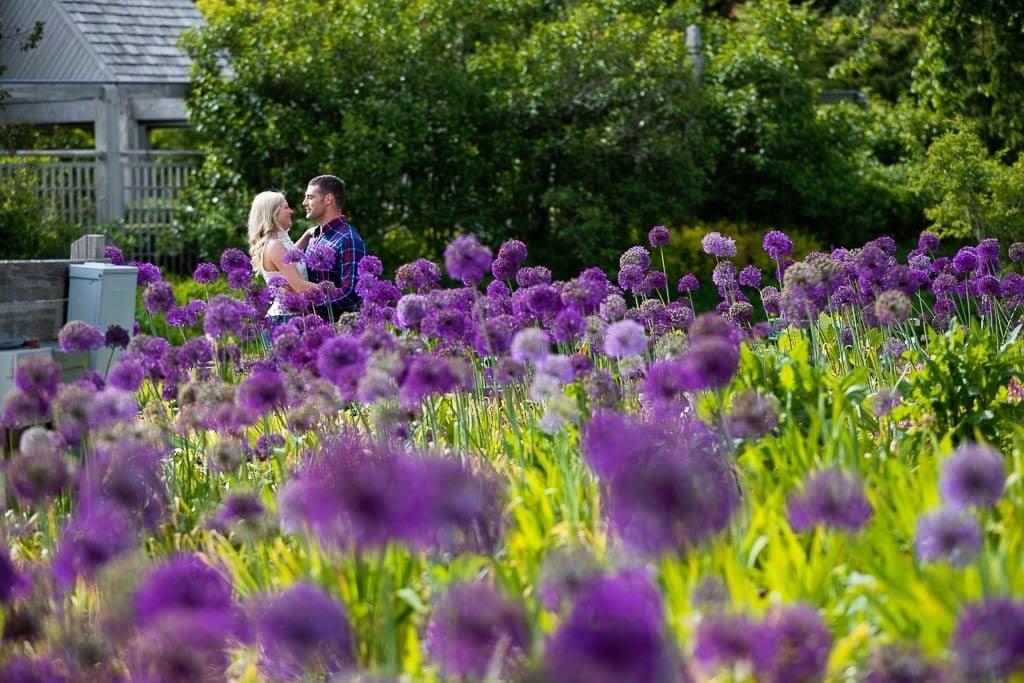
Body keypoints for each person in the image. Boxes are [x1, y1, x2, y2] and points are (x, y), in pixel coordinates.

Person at [247, 190, 319, 344]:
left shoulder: (278, 243)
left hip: (290, 317)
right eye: (286, 208)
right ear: (273, 214)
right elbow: (298, 286)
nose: (291, 211)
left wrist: (306, 235)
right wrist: (332, 289)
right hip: (284, 321)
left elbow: (291, 258)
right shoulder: (274, 246)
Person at [298, 174, 367, 319]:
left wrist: (310, 305)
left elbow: (351, 292)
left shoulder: (349, 239)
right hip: (310, 329)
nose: (304, 202)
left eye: (310, 197)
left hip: (338, 331)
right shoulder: (313, 237)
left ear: (328, 199)